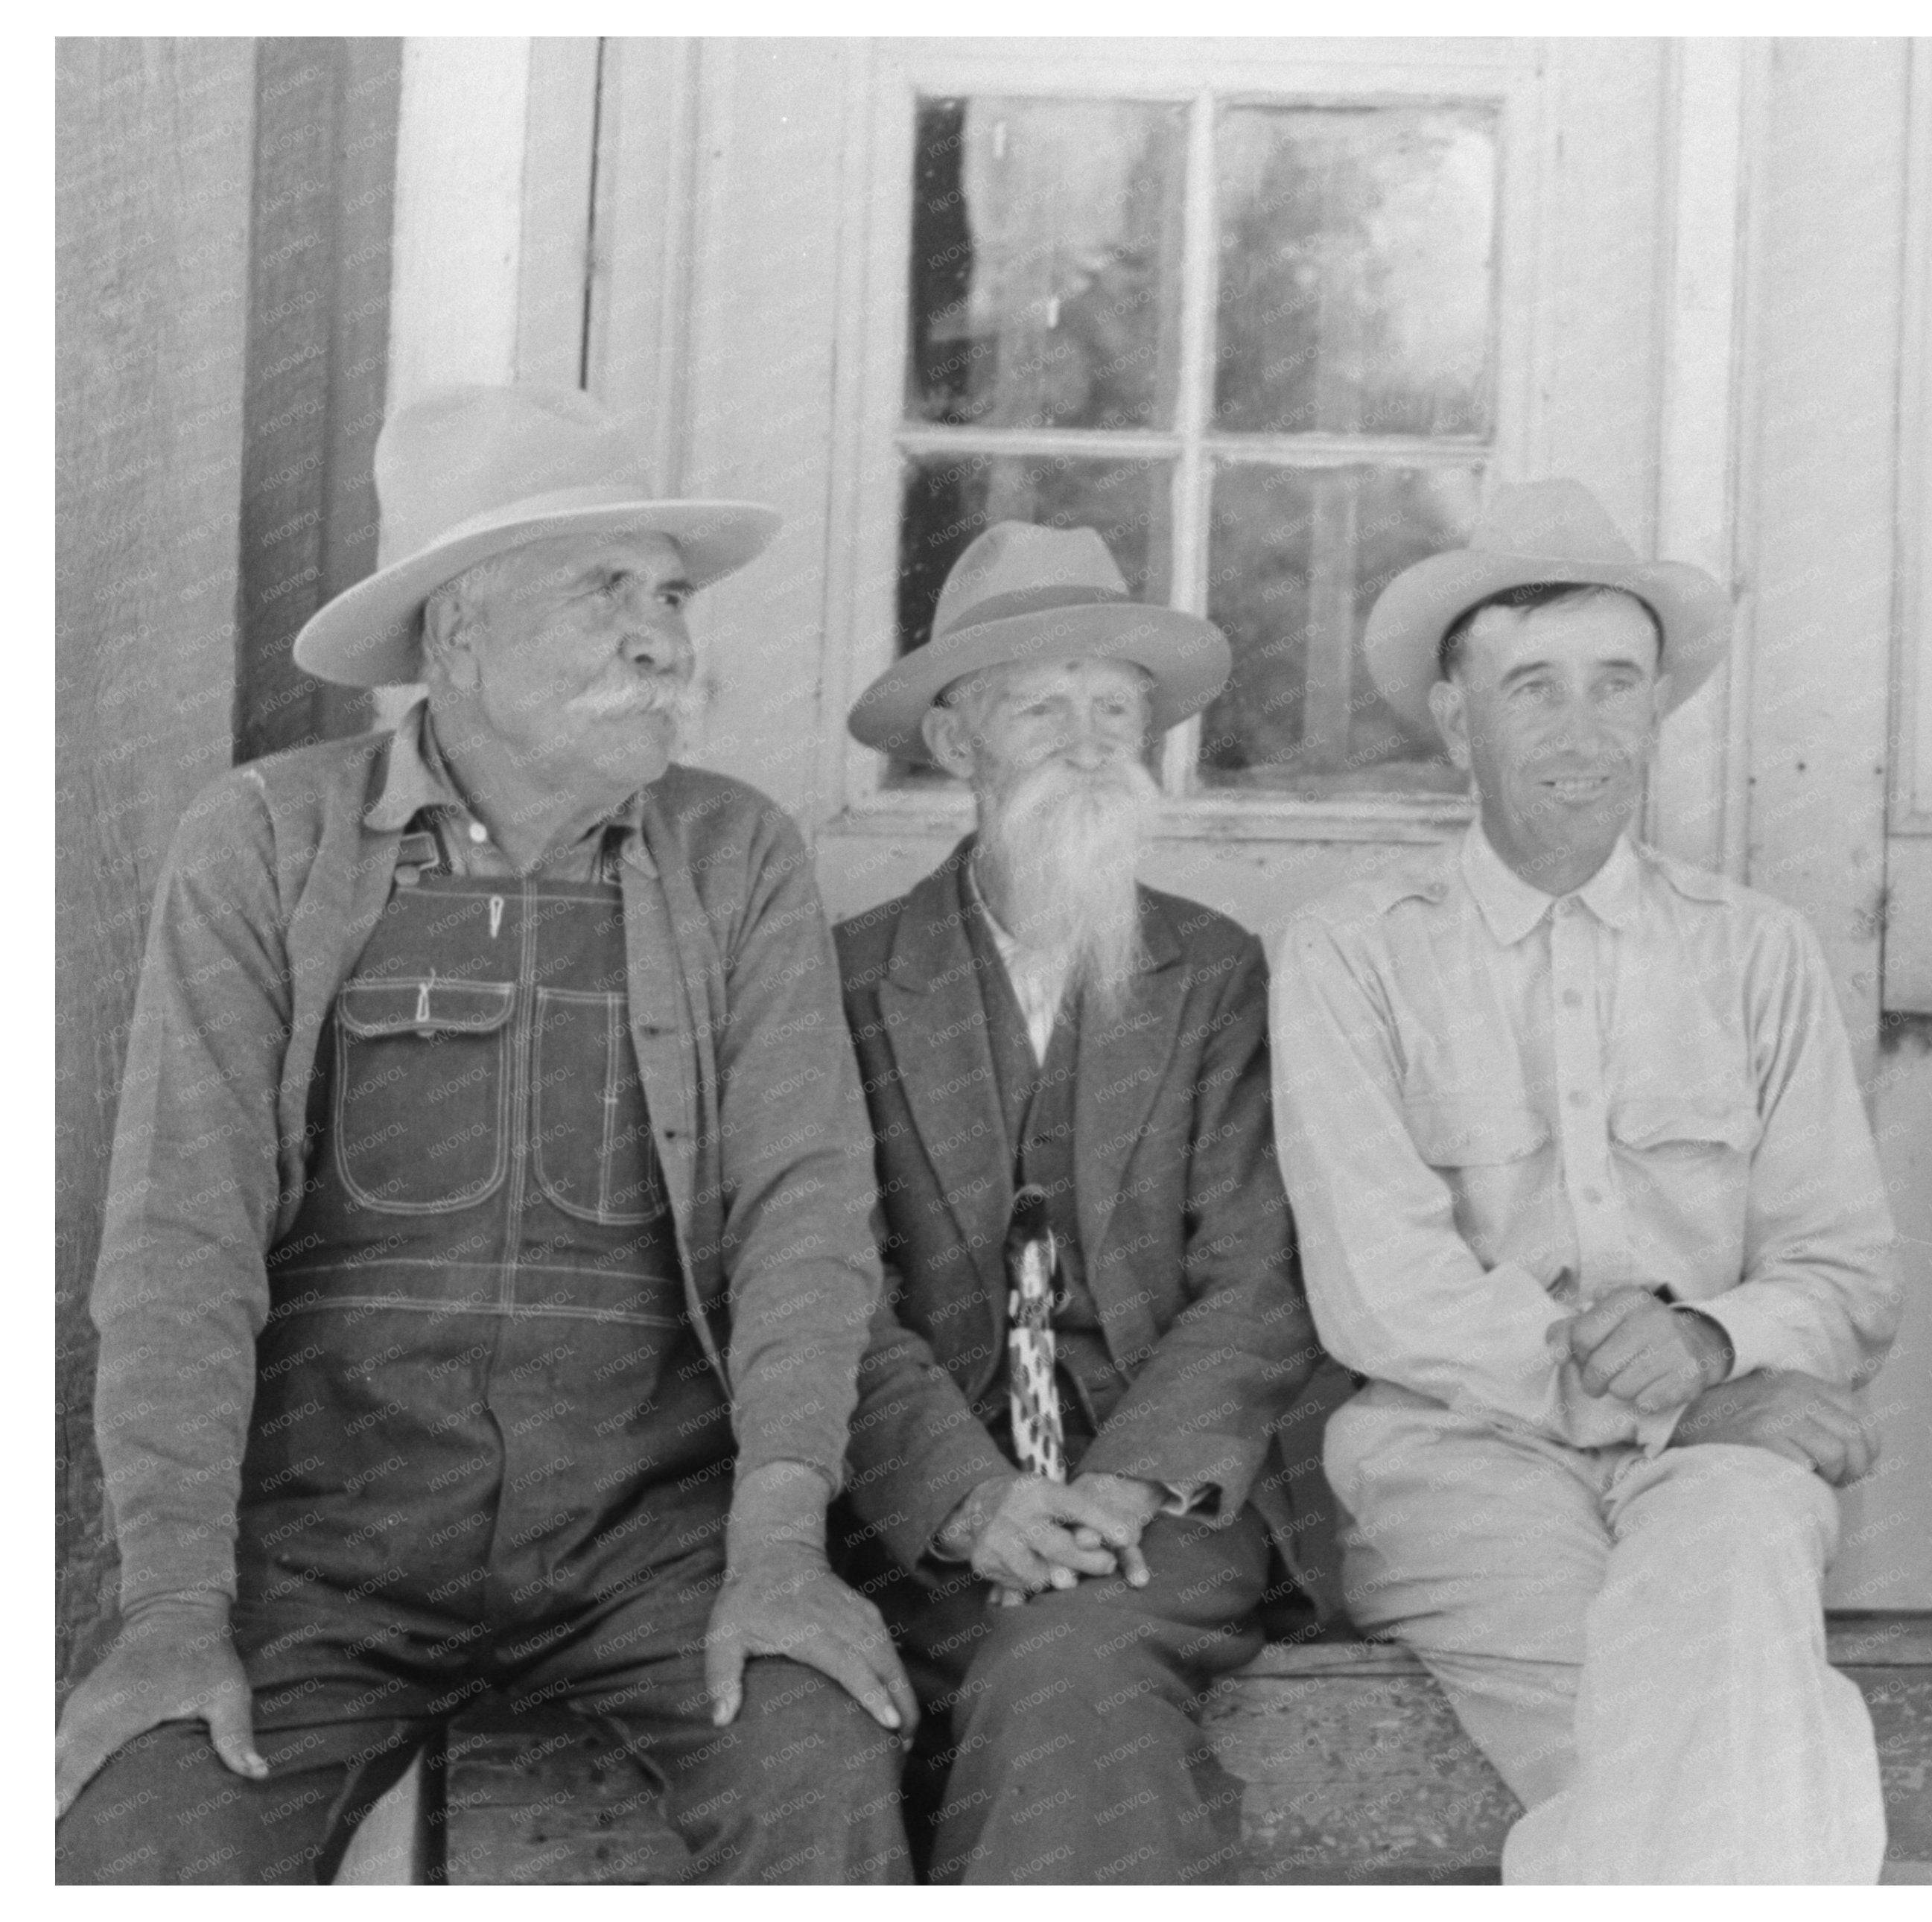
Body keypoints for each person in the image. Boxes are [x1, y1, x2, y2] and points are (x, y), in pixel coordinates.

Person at [54, 384, 912, 1883]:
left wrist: (776, 1544)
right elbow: (179, 1246)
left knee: (819, 1769)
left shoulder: (733, 854)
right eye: (604, 592)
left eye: (670, 594)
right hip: (322, 1556)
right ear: (456, 635)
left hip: (653, 1543)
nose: (666, 637)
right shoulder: (268, 843)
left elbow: (805, 1215)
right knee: (140, 1837)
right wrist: (177, 1617)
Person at [1270, 480, 1902, 1883]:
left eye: (1617, 683)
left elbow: (1846, 1273)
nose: (1581, 728)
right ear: (1455, 718)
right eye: (1532, 687)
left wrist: (1709, 1343)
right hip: (1461, 1457)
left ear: (1660, 704)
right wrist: (1664, 1376)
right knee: (1710, 1746)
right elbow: (1384, 1291)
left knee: (1709, 1668)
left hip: (1722, 1444)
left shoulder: (1755, 951)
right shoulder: (1354, 954)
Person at [832, 523, 1329, 1883]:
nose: (1095, 738)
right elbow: (824, 1289)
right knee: (837, 1729)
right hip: (917, 1521)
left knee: (1064, 1660)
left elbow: (1257, 1277)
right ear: (954, 743)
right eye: (1044, 706)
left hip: (1162, 1512)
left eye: (1119, 707)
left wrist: (1116, 1491)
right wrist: (965, 1497)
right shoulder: (846, 979)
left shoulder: (1214, 970)